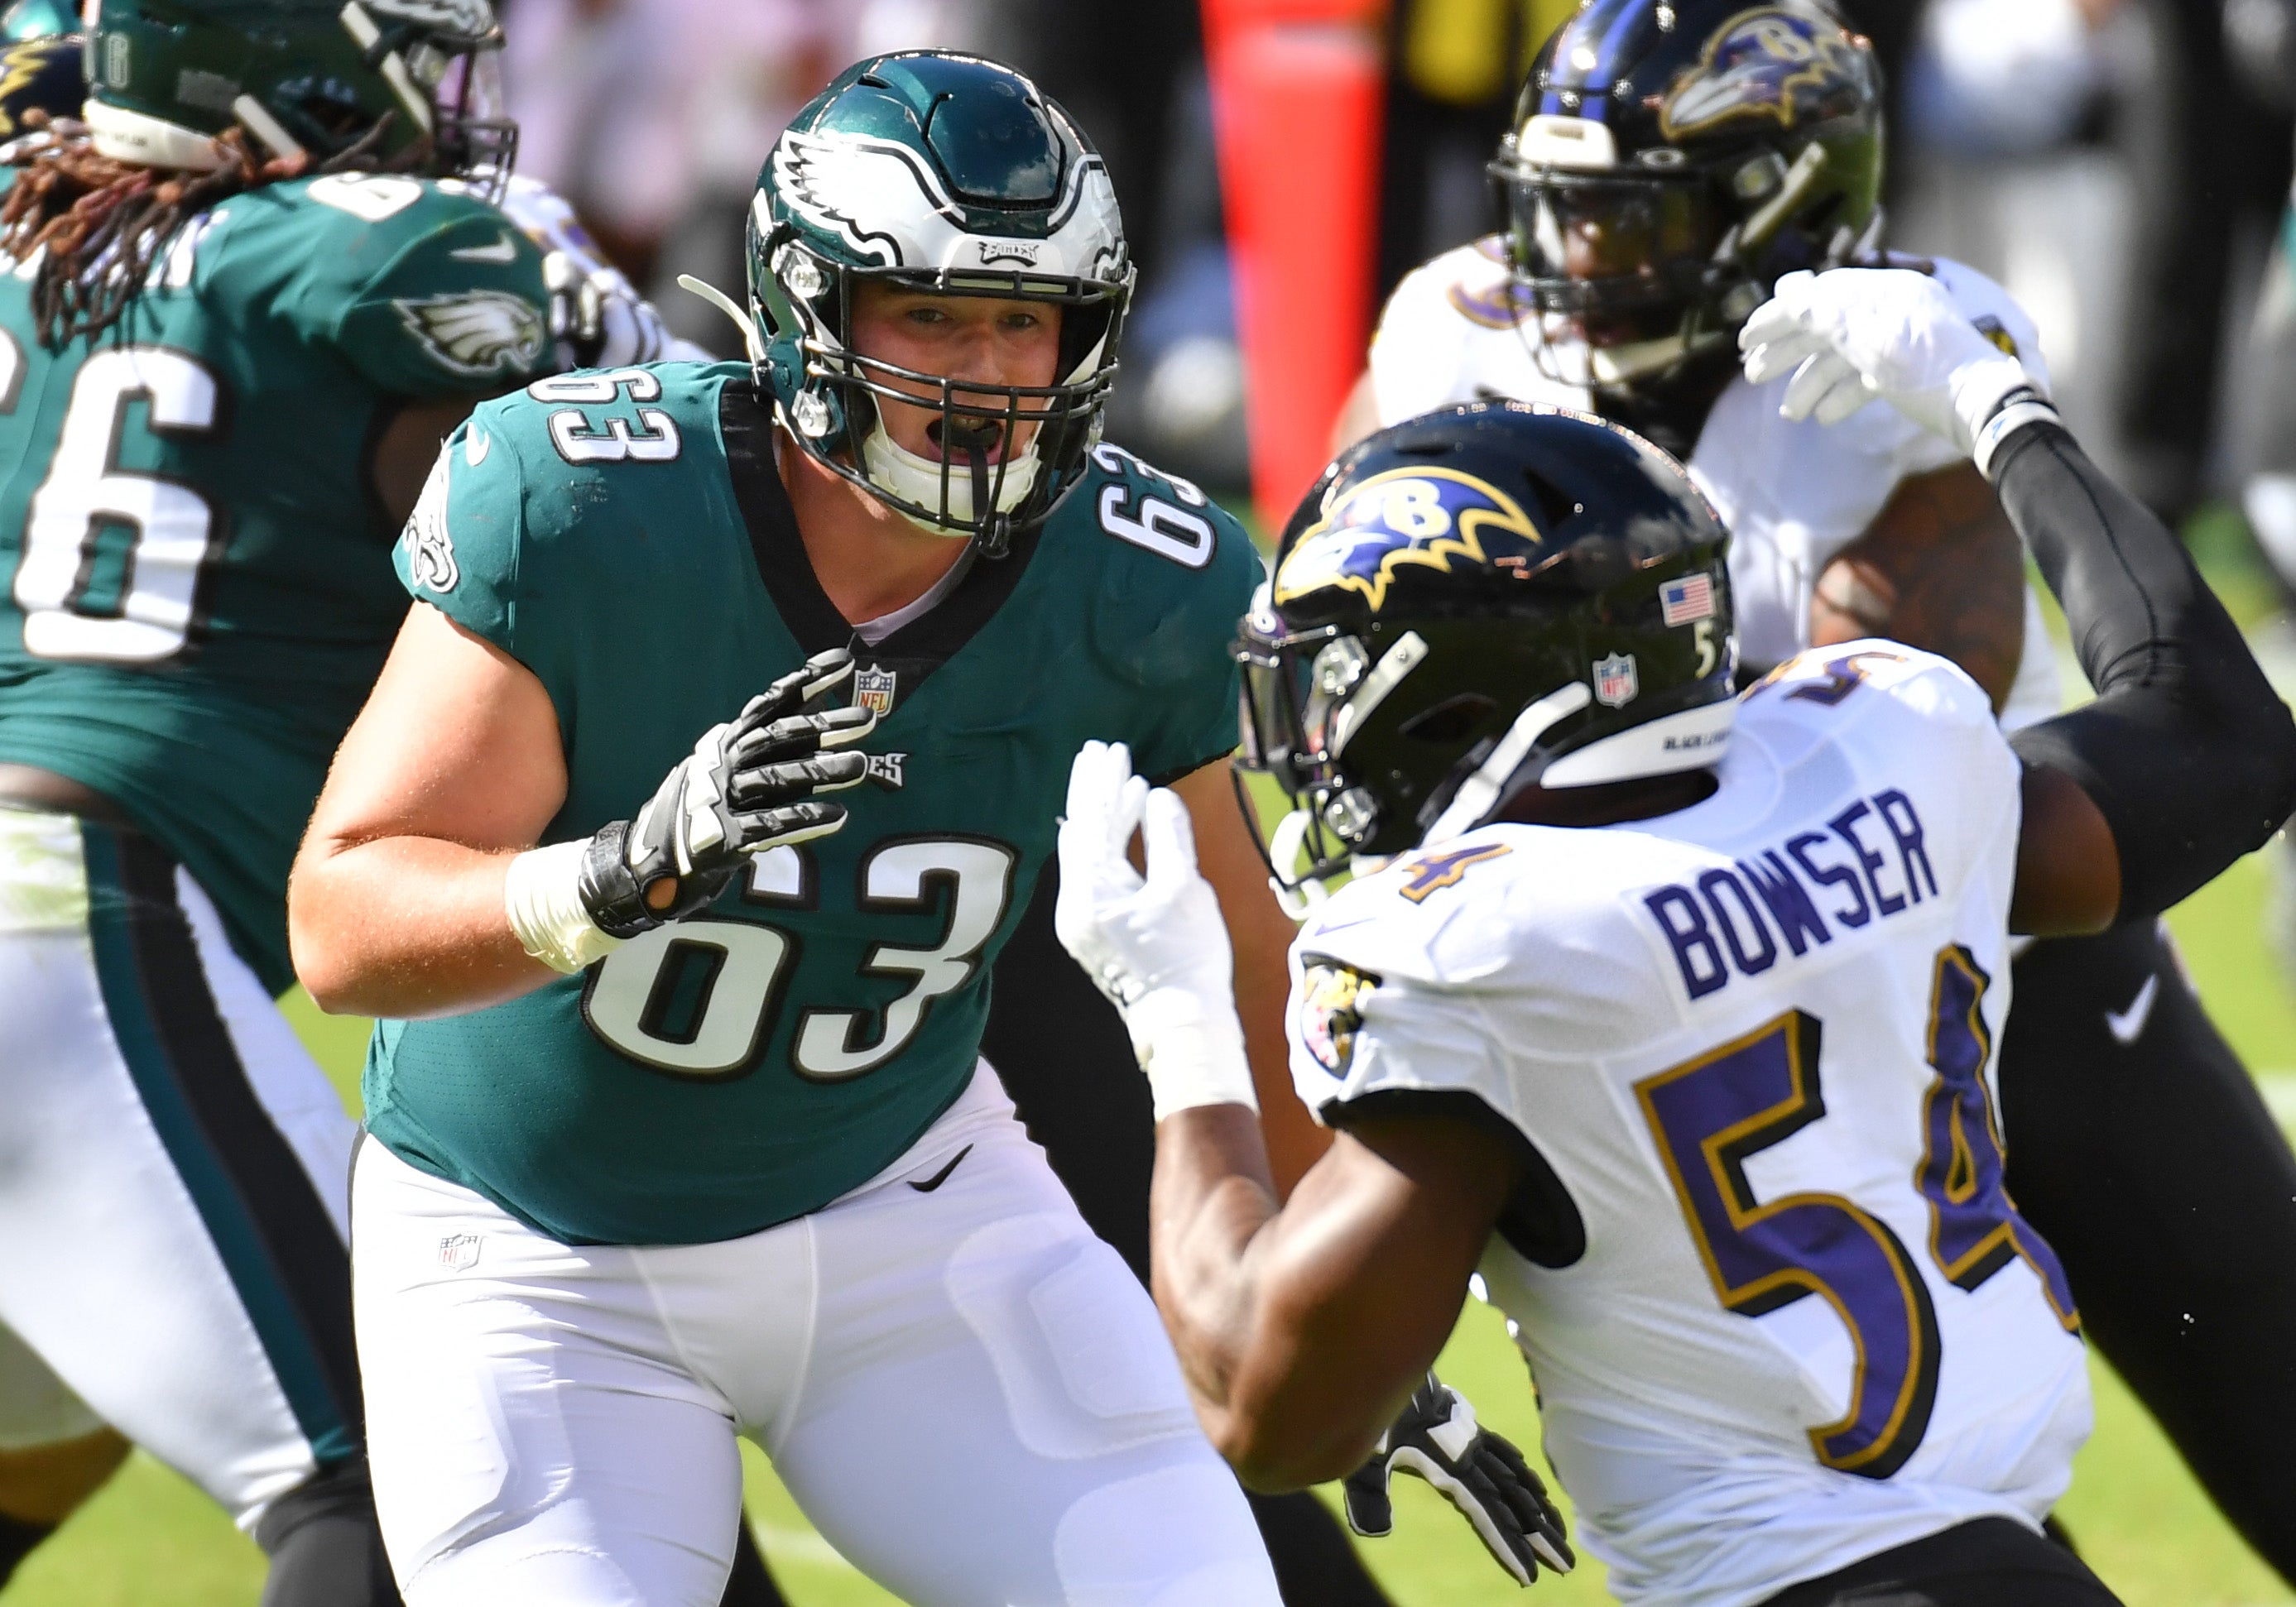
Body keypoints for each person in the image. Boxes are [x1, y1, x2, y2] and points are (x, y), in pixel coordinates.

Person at [286, 50, 1558, 1605]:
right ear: (811, 307)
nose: (988, 369)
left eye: (1025, 320)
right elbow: (342, 923)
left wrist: (1351, 1342)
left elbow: (1244, 965)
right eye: (935, 312)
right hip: (537, 1259)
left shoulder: (1141, 578)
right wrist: (618, 873)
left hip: (910, 1210)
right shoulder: (585, 500)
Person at [1055, 274, 2296, 1604]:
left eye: (1336, 688)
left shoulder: (1487, 951)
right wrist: (1999, 407)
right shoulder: (1881, 754)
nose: (1311, 746)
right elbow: (2214, 735)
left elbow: (1268, 1408)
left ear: (1462, 700)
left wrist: (1173, 1016)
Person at [1336, 0, 2296, 1574]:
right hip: (1671, 1006)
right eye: (1553, 211)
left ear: (1778, 210)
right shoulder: (1453, 325)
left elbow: (1869, 765)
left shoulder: (1886, 349)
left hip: (1995, 935)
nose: (1571, 262)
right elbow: (1348, 661)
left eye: (1625, 217)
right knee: (1862, 1496)